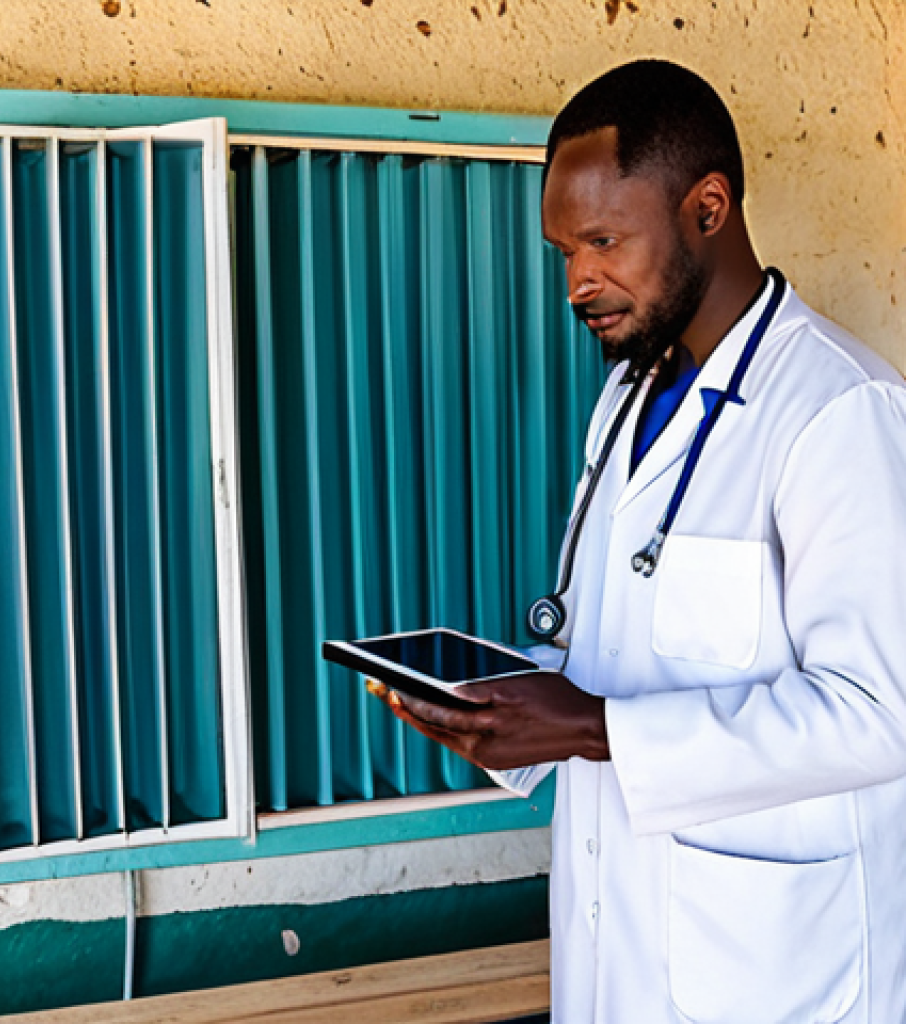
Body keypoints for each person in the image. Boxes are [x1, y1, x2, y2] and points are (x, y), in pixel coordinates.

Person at [370, 60, 906, 1023]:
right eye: (563, 252)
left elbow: (880, 711)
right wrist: (508, 710)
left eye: (605, 241)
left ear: (708, 207)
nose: (580, 281)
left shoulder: (840, 410)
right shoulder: (625, 401)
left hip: (775, 967)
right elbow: (616, 653)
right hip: (618, 946)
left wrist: (589, 727)